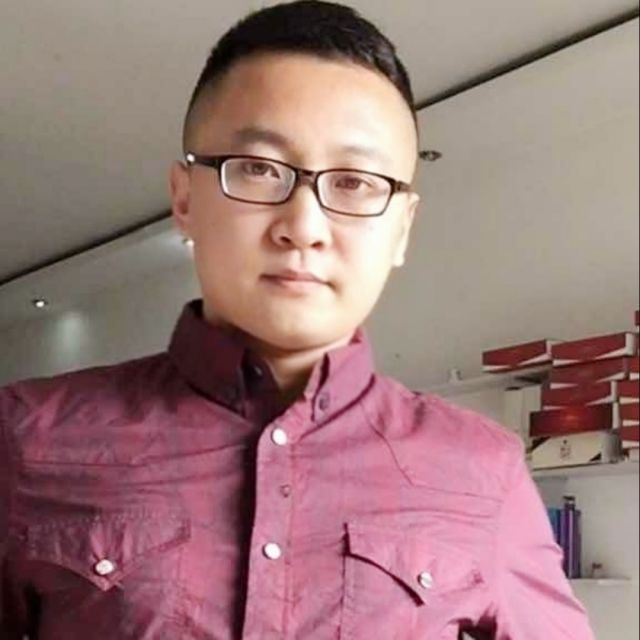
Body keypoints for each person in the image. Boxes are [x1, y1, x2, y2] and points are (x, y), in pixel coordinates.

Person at [0, 2, 596, 638]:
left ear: (402, 229)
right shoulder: (25, 440)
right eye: (259, 169)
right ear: (184, 198)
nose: (304, 227)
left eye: (356, 182)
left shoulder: (483, 470)